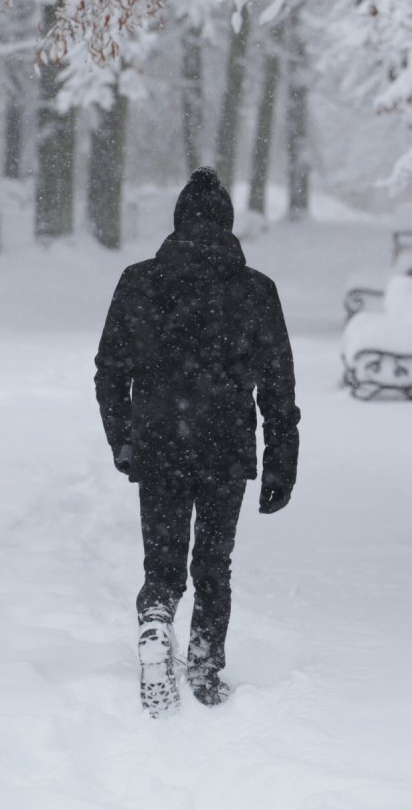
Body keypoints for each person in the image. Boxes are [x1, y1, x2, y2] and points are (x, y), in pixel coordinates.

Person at [94, 167, 300, 717]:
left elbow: (109, 371)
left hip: (159, 442)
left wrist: (124, 440)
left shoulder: (139, 281)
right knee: (213, 562)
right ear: (229, 226)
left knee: (163, 563)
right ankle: (205, 669)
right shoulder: (256, 291)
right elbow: (279, 388)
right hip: (224, 446)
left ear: (178, 221)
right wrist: (282, 461)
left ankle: (157, 622)